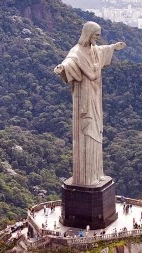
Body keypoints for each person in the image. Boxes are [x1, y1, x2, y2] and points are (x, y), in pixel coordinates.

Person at [54, 21, 126, 186]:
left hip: (95, 94)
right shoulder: (77, 51)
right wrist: (62, 68)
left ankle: (96, 174)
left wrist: (114, 47)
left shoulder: (94, 49)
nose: (97, 38)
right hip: (84, 97)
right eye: (96, 34)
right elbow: (70, 61)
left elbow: (102, 50)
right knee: (86, 134)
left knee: (96, 132)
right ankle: (85, 177)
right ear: (88, 33)